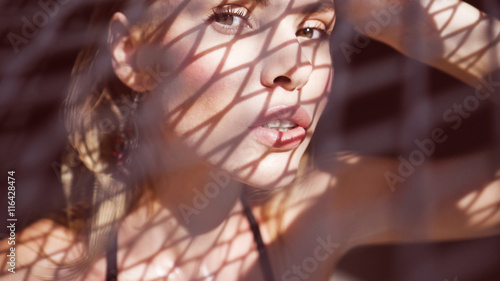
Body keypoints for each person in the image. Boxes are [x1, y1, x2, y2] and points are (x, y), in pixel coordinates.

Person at [1, 0, 499, 280]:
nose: (294, 67)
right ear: (133, 54)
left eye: (310, 28)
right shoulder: (33, 268)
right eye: (231, 17)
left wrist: (427, 23)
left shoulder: (319, 212)